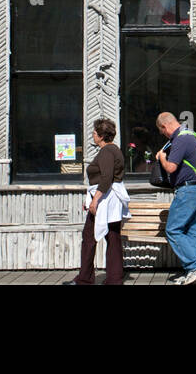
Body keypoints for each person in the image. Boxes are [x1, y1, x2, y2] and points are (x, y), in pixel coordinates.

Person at [65, 118, 130, 285]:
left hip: (105, 200)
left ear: (101, 136)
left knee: (89, 238)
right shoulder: (115, 150)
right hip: (110, 199)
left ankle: (84, 279)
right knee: (113, 238)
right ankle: (114, 279)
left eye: (94, 133)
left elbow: (106, 178)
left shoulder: (107, 152)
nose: (93, 135)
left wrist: (94, 201)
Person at [155, 111, 196, 285]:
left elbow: (171, 167)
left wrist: (163, 157)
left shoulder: (181, 139)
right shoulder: (188, 135)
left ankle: (195, 266)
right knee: (189, 231)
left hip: (188, 191)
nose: (163, 134)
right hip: (195, 189)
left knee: (173, 230)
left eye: (161, 131)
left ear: (164, 126)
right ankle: (191, 272)